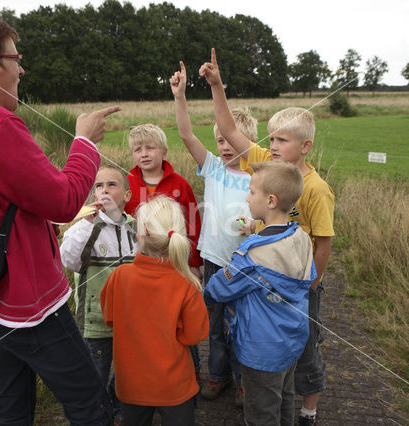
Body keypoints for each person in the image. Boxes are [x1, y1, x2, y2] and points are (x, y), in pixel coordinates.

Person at [0, 10, 120, 425]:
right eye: (16, 60)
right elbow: (67, 200)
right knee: (91, 402)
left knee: (11, 406)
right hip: (28, 305)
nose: (21, 69)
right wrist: (84, 140)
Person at [200, 48, 335, 426]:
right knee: (276, 349)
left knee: (303, 350)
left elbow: (322, 242)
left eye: (282, 140)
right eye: (271, 138)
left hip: (297, 282)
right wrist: (216, 85)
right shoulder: (268, 164)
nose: (273, 146)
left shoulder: (316, 189)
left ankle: (307, 410)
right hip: (267, 280)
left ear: (305, 146)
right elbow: (227, 130)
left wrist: (310, 283)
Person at [170, 60, 256, 406]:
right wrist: (180, 96)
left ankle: (243, 382)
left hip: (245, 264)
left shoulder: (257, 175)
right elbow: (187, 135)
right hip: (213, 262)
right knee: (215, 325)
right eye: (220, 139)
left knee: (244, 328)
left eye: (231, 140)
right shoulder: (213, 169)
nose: (224, 146)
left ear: (248, 141)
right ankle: (219, 376)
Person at [204, 161, 316, 426]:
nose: (247, 196)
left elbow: (218, 288)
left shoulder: (252, 254)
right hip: (291, 341)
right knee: (284, 401)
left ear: (271, 200)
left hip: (260, 350)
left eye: (252, 191)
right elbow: (309, 275)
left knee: (260, 414)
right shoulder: (300, 237)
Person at [100, 196, 209, 425]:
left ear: (139, 237)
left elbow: (110, 319)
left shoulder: (119, 277)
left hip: (131, 384)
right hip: (175, 386)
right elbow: (195, 336)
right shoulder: (187, 284)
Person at [123, 123, 205, 380]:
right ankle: (152, 369)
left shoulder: (179, 183)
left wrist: (193, 263)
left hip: (174, 262)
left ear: (164, 152)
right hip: (140, 265)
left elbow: (193, 224)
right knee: (149, 320)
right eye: (138, 149)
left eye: (150, 147)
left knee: (179, 316)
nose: (144, 153)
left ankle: (193, 368)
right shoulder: (127, 183)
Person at [60, 166, 137, 423]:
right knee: (95, 377)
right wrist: (87, 224)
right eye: (98, 186)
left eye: (111, 185)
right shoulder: (84, 229)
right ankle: (95, 415)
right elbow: (68, 260)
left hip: (130, 322)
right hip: (97, 323)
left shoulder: (136, 228)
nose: (104, 190)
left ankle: (115, 410)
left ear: (126, 195)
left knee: (127, 373)